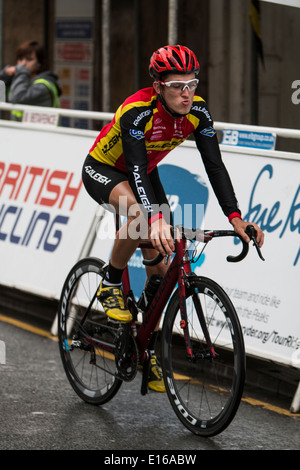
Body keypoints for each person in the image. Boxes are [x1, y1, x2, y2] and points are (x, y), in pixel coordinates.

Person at [82, 45, 264, 392]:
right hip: (105, 168)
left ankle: (143, 343)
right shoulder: (137, 111)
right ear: (158, 86)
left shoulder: (198, 112)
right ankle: (110, 281)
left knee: (162, 270)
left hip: (146, 174)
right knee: (139, 217)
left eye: (192, 83)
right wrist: (153, 219)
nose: (186, 92)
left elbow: (215, 166)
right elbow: (133, 167)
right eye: (177, 85)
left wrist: (236, 217)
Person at [0, 40, 61, 119]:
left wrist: (21, 71)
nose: (23, 64)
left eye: (29, 59)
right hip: (20, 130)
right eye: (20, 59)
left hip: (39, 130)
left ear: (40, 63)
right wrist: (5, 76)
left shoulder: (43, 85)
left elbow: (17, 98)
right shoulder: (21, 80)